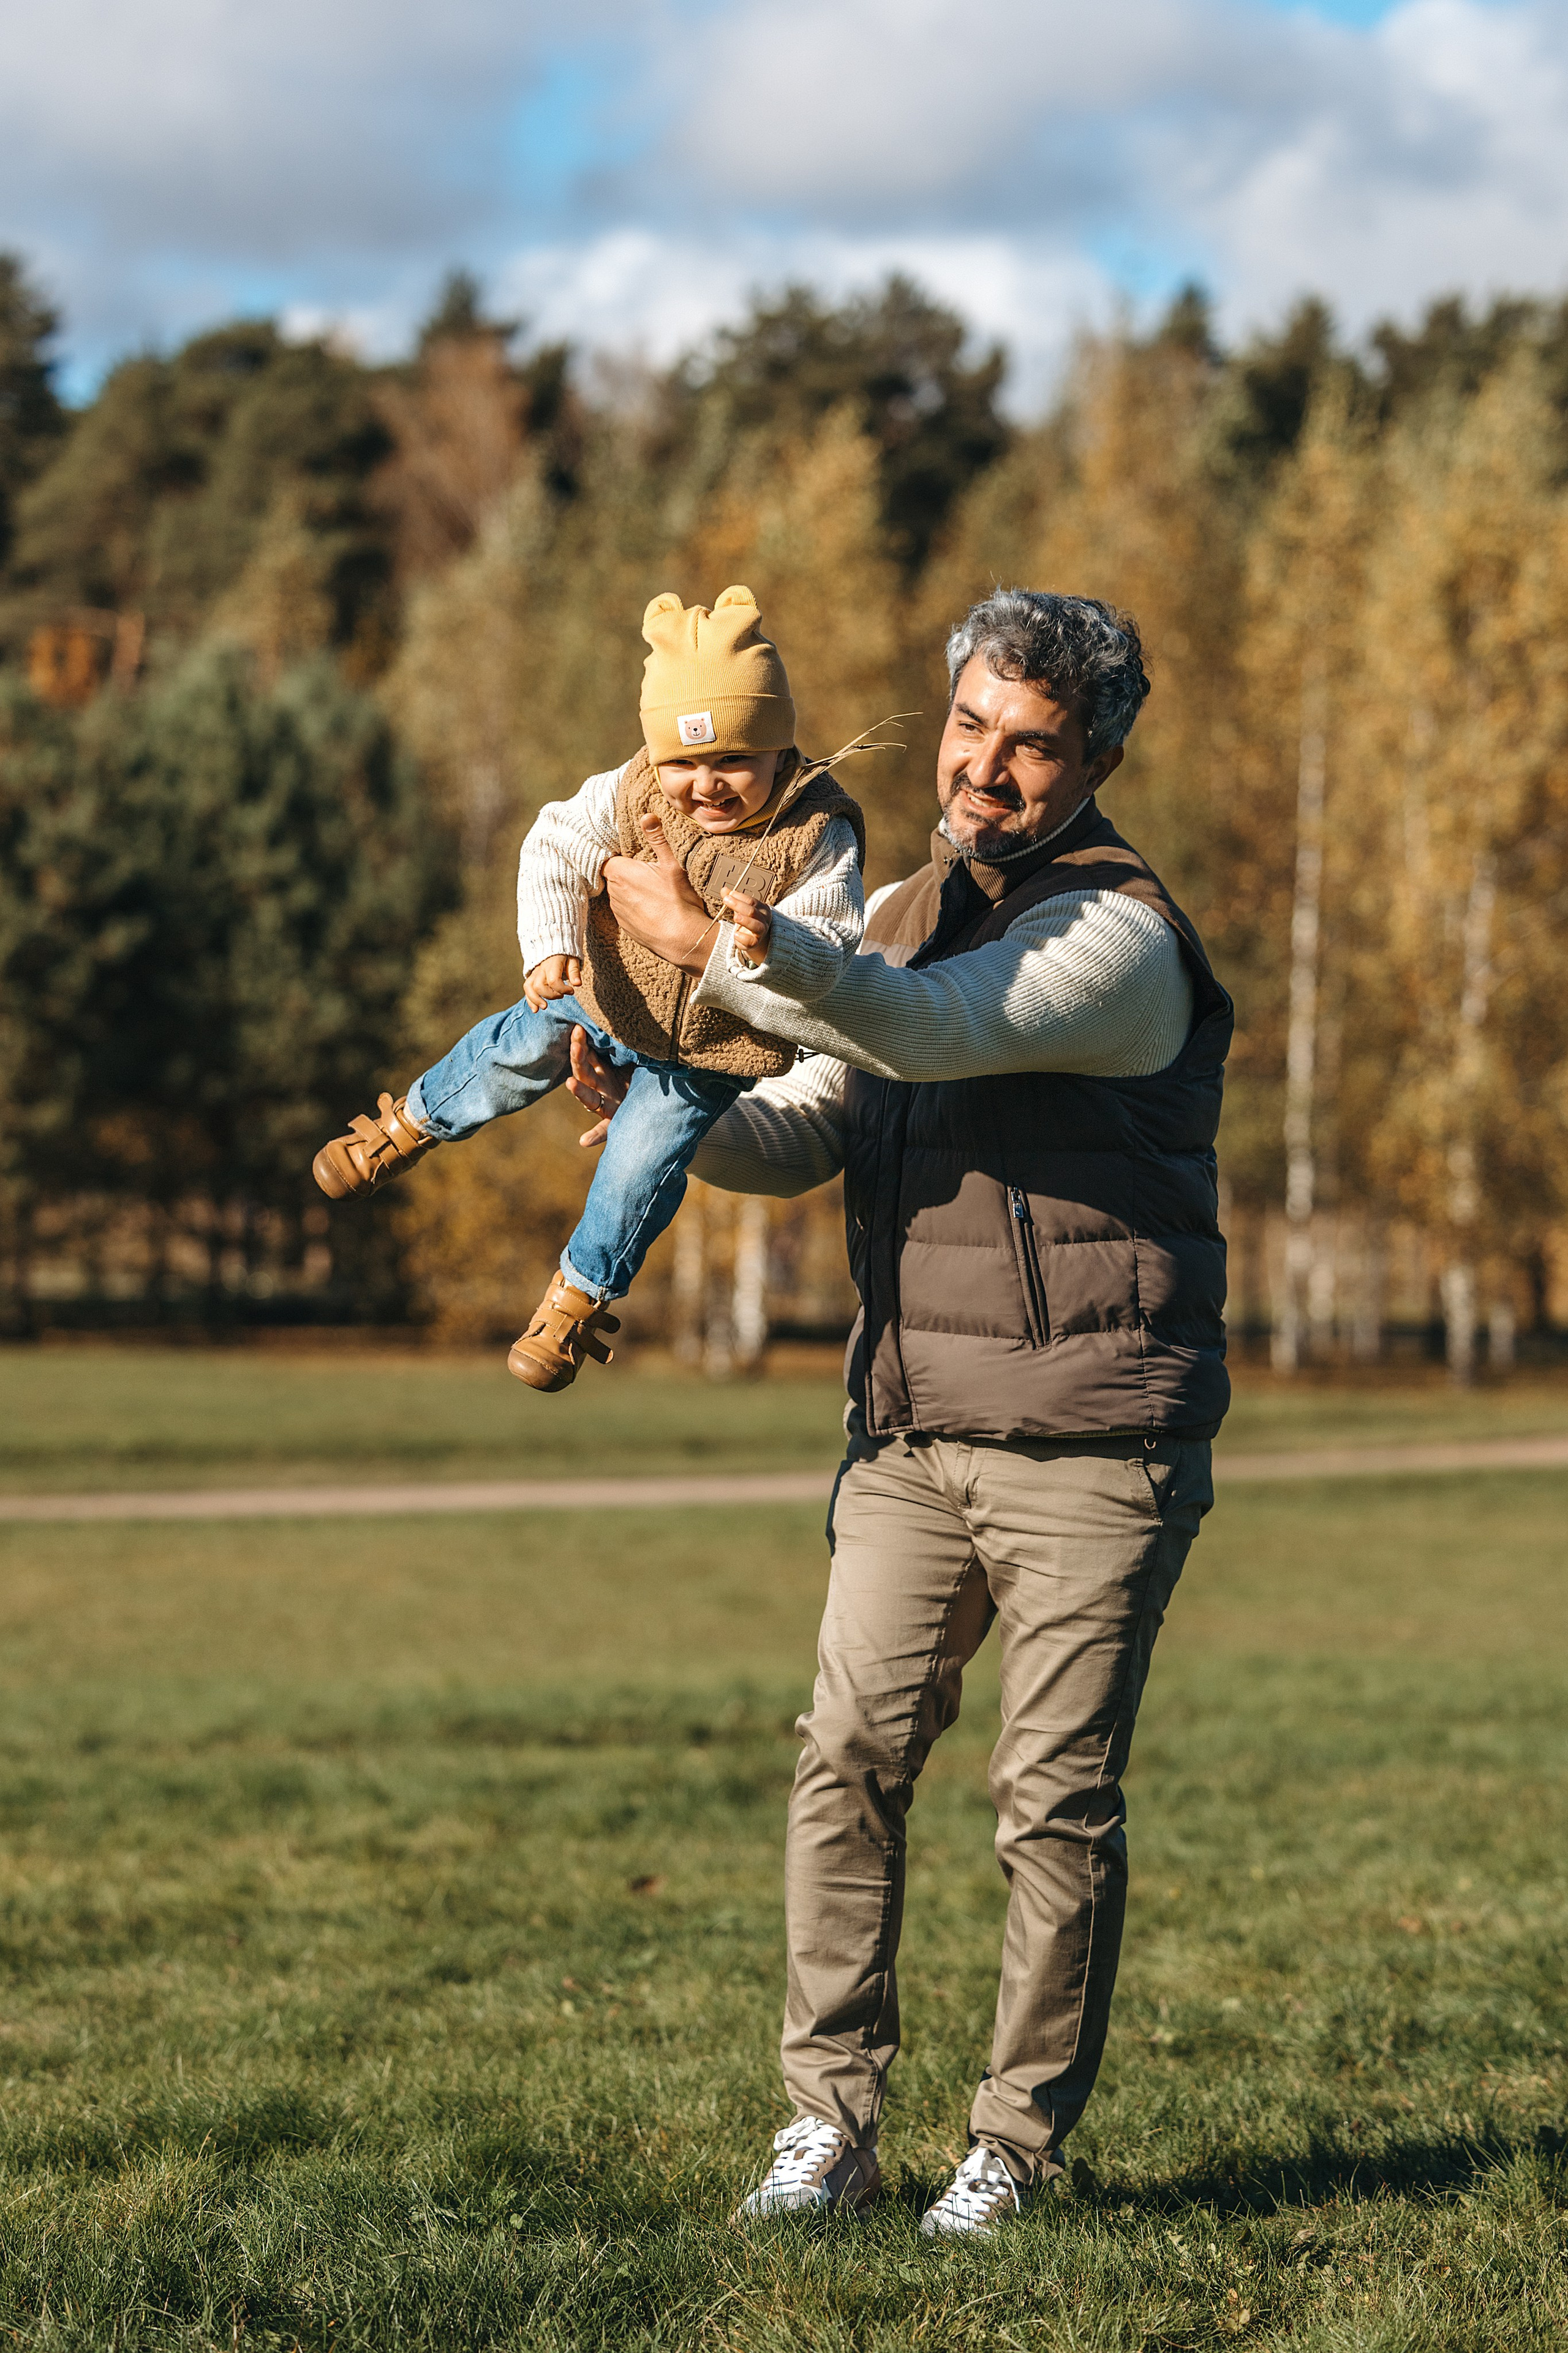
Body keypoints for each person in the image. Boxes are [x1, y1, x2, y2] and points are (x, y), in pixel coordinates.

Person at [569, 589, 1233, 2232]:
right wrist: (651, 1109)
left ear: (1096, 759)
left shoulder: (1118, 938)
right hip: (913, 1431)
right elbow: (811, 1123)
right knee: (845, 1761)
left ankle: (1010, 2145)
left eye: (1032, 745)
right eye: (969, 728)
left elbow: (929, 1032)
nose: (987, 768)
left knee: (1052, 1801)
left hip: (1097, 1439)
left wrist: (708, 942)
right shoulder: (910, 905)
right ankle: (832, 2129)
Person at [311, 586, 865, 1391]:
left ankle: (577, 1297)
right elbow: (556, 841)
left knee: (642, 1160)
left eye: (732, 761)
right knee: (519, 1040)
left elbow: (836, 943)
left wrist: (775, 944)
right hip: (603, 993)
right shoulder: (632, 786)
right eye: (684, 762)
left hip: (703, 1058)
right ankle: (412, 1121)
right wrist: (548, 946)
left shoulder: (815, 833)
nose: (705, 785)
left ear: (781, 750)